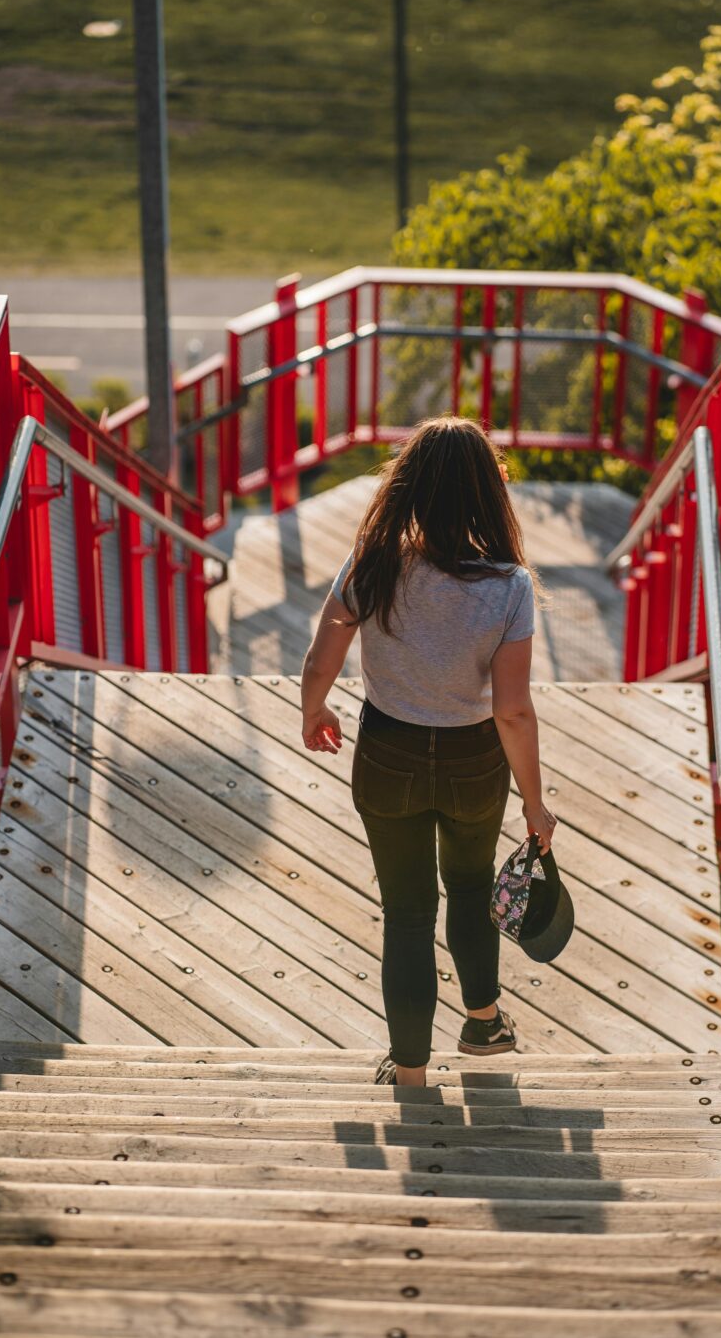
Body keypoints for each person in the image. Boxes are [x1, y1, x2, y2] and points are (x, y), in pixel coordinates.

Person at [300, 416, 557, 1087]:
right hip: (475, 758)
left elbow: (322, 655)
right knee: (470, 888)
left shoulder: (373, 560)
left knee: (408, 911)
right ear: (488, 492)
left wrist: (314, 706)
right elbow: (512, 709)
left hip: (389, 751)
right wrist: (536, 803)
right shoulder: (510, 585)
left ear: (406, 487)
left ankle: (410, 1071)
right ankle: (483, 1021)